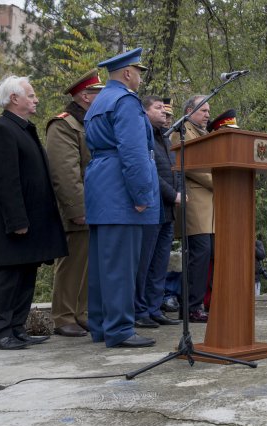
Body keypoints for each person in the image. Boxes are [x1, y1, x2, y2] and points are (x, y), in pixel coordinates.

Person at [0, 75, 68, 349]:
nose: (36, 99)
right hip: (14, 223)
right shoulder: (1, 131)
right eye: (30, 95)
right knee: (6, 278)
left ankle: (17, 328)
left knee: (25, 276)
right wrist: (17, 220)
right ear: (14, 99)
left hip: (32, 222)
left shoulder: (22, 128)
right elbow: (5, 182)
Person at [85, 48, 160, 347]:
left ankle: (101, 326)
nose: (140, 77)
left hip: (101, 186)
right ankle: (119, 329)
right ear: (128, 73)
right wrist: (142, 194)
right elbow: (133, 153)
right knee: (121, 264)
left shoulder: (99, 100)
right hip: (121, 190)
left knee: (103, 264)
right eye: (138, 71)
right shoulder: (126, 101)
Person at [45, 68, 103, 338]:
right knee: (71, 263)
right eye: (96, 92)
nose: (101, 97)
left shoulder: (89, 122)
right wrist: (78, 209)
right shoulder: (63, 125)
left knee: (86, 264)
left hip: (95, 204)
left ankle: (80, 313)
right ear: (85, 96)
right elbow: (64, 173)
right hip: (77, 207)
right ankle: (63, 316)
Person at [133, 95, 182, 328]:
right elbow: (151, 172)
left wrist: (178, 192)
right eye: (158, 108)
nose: (164, 112)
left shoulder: (166, 138)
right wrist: (173, 195)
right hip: (153, 208)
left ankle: (154, 308)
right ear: (145, 111)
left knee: (160, 263)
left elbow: (175, 170)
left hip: (168, 211)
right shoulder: (143, 136)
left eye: (165, 109)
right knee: (145, 262)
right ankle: (139, 309)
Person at [170, 95, 212, 322]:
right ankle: (191, 307)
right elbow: (190, 166)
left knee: (206, 254)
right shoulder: (182, 131)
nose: (207, 114)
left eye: (208, 111)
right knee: (199, 253)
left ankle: (199, 304)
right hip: (194, 201)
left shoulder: (204, 132)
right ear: (189, 110)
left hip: (208, 204)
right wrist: (220, 182)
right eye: (202, 110)